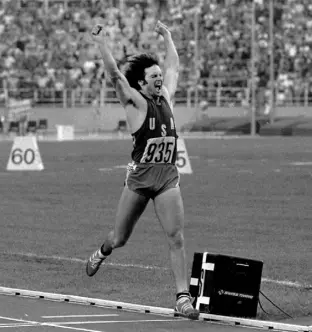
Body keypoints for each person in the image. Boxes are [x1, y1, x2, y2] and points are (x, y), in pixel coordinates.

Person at [86, 20, 199, 320]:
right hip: (138, 180)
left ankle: (182, 298)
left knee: (176, 236)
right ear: (142, 83)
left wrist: (169, 38)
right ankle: (103, 250)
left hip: (166, 179)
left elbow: (173, 66)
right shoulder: (136, 104)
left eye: (160, 75)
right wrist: (101, 44)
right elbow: (115, 76)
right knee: (120, 238)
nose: (160, 78)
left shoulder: (167, 101)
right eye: (154, 76)